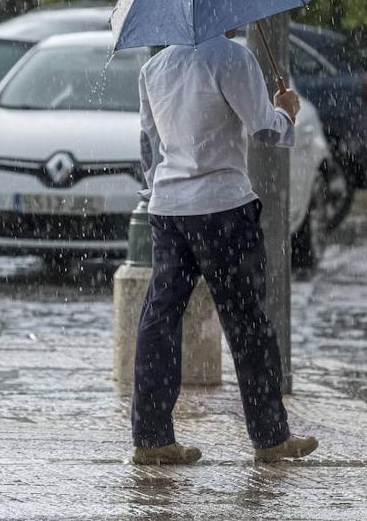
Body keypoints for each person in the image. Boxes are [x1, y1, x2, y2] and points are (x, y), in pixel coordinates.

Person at [131, 29, 319, 465]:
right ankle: (270, 437)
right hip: (224, 209)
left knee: (160, 318)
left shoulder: (154, 68)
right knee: (247, 321)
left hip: (168, 209)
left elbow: (148, 146)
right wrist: (286, 112)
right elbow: (266, 133)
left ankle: (151, 437)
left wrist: (163, 188)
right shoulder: (232, 59)